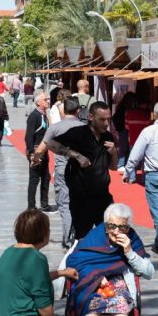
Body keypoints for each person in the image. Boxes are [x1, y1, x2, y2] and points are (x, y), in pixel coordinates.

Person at [0, 209, 92, 316]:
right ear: (41, 233)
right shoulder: (36, 259)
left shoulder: (10, 251)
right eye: (48, 229)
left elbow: (33, 279)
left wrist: (62, 273)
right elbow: (45, 310)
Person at [67, 203, 154, 316]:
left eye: (123, 227)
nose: (117, 231)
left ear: (128, 227)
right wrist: (95, 276)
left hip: (119, 284)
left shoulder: (132, 238)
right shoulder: (95, 236)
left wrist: (129, 251)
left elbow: (149, 272)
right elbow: (74, 260)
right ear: (106, 225)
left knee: (120, 305)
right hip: (92, 283)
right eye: (112, 226)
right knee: (91, 308)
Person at [43, 101, 118, 239]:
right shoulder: (79, 133)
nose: (106, 123)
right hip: (82, 198)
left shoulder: (108, 136)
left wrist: (114, 152)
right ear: (91, 117)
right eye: (102, 119)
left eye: (108, 119)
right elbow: (50, 143)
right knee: (83, 238)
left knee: (109, 237)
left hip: (103, 197)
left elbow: (113, 167)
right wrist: (75, 155)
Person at [123, 101, 158, 260]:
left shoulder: (149, 131)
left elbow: (136, 152)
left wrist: (128, 170)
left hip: (154, 175)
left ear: (154, 114)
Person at [32, 97, 85, 249]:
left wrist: (35, 159)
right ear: (77, 111)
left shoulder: (55, 128)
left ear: (63, 111)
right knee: (80, 203)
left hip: (62, 171)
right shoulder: (84, 127)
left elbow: (42, 148)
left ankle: (68, 238)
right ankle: (78, 234)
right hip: (81, 172)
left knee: (65, 204)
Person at [26, 92, 53, 212]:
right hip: (36, 151)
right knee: (34, 179)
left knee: (46, 177)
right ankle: (31, 205)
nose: (48, 101)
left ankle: (44, 203)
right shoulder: (34, 116)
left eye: (48, 99)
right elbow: (28, 136)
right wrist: (32, 153)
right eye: (45, 99)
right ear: (38, 102)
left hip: (44, 151)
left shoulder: (44, 115)